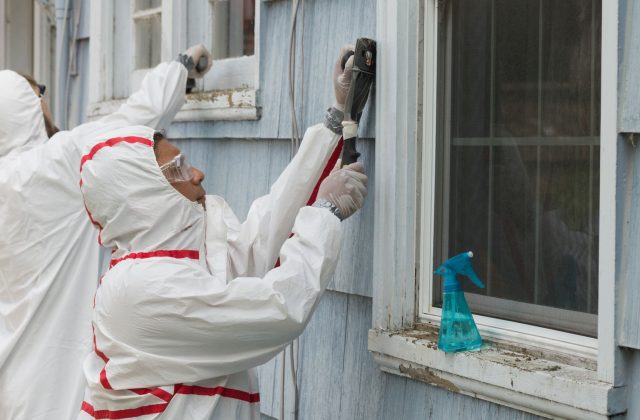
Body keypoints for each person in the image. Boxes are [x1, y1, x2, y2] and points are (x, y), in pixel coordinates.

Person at [77, 48, 366, 419]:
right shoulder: (141, 290)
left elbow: (261, 240)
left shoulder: (177, 261)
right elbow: (276, 310)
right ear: (143, 194)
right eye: (178, 167)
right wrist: (324, 214)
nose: (197, 174)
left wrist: (334, 120)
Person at [0, 44, 212, 420]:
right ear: (28, 108)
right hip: (56, 387)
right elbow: (133, 120)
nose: (46, 104)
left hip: (10, 381)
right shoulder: (56, 162)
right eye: (40, 95)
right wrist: (180, 68)